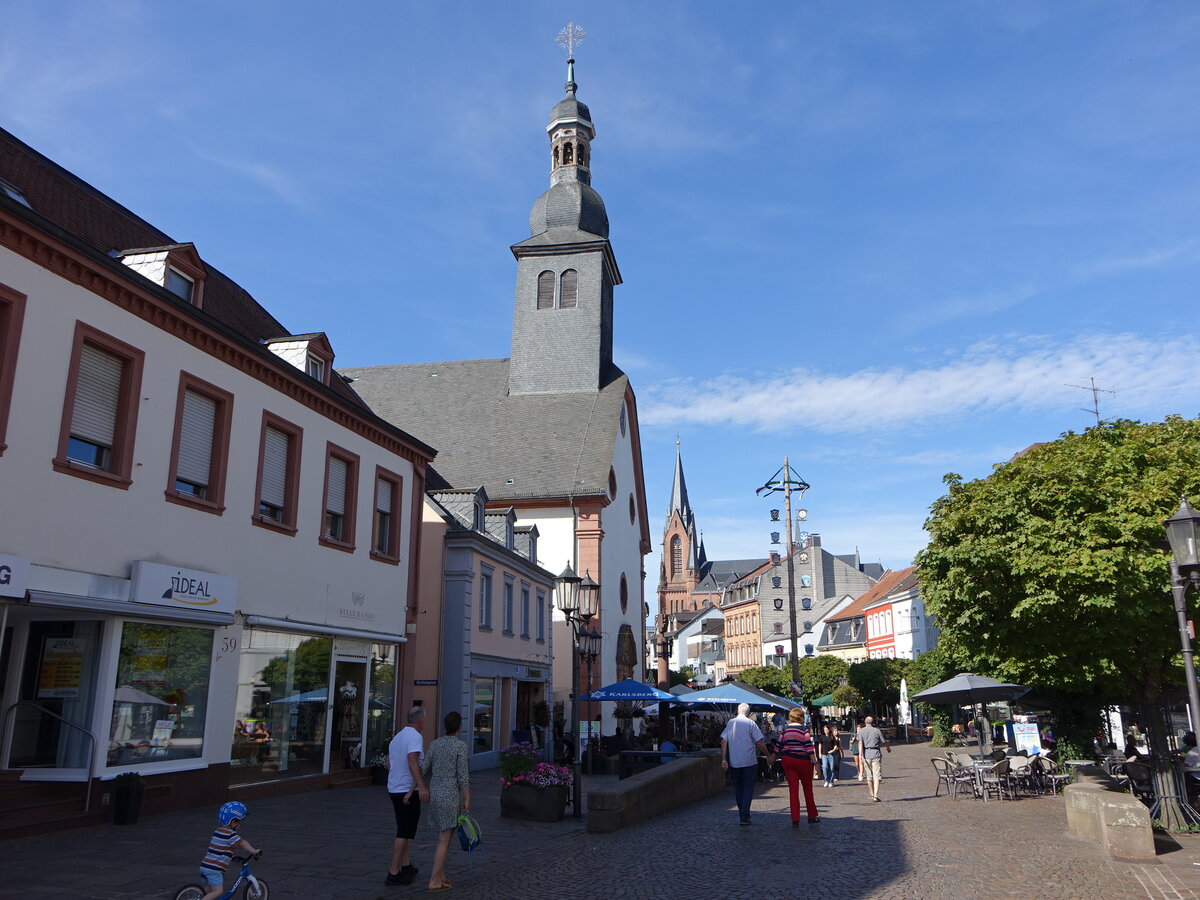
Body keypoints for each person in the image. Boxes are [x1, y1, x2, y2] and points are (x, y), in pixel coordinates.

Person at [421, 711, 470, 893]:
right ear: (459, 727)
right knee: (444, 838)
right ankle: (434, 880)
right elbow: (463, 775)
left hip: (436, 791)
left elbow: (424, 767)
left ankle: (441, 876)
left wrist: (414, 789)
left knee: (445, 836)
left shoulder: (435, 744)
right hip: (450, 794)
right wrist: (467, 798)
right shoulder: (460, 746)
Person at [385, 707, 429, 886]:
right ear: (420, 721)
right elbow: (413, 761)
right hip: (405, 789)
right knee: (404, 832)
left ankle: (406, 864)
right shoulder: (415, 737)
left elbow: (389, 764)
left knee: (404, 828)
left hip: (394, 787)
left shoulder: (398, 737)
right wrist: (421, 786)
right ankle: (393, 872)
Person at [720, 702, 774, 825]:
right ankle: (745, 814)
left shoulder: (730, 723)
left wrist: (724, 759)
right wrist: (768, 754)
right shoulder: (751, 723)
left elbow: (723, 740)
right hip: (749, 760)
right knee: (748, 787)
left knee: (738, 787)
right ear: (749, 713)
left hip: (734, 761)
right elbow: (759, 742)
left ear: (737, 711)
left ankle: (742, 813)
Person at [198, 801, 259, 900]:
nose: (240, 825)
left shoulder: (218, 831)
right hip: (214, 869)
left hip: (205, 866)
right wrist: (254, 851)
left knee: (210, 889)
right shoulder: (231, 835)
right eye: (239, 822)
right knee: (218, 891)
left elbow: (220, 848)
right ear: (234, 822)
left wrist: (231, 856)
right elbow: (242, 843)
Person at [779, 708, 819, 826]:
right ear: (801, 717)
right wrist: (815, 763)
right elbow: (808, 746)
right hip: (802, 760)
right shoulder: (803, 729)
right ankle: (811, 816)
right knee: (807, 788)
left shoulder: (785, 729)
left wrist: (772, 757)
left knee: (793, 790)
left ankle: (795, 818)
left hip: (788, 759)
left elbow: (779, 744)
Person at [858, 715, 891, 802]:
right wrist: (888, 748)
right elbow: (884, 742)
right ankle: (875, 795)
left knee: (869, 776)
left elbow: (860, 743)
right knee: (877, 775)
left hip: (866, 754)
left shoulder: (861, 731)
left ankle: (872, 792)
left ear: (865, 722)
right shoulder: (877, 731)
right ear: (872, 722)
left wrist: (861, 755)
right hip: (876, 753)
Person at [817, 723, 839, 788]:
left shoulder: (832, 737)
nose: (825, 731)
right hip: (824, 754)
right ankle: (826, 780)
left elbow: (835, 745)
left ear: (829, 730)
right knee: (824, 767)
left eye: (826, 730)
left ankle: (831, 781)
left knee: (832, 768)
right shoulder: (822, 737)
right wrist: (820, 753)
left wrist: (833, 750)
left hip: (831, 754)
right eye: (824, 730)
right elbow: (820, 744)